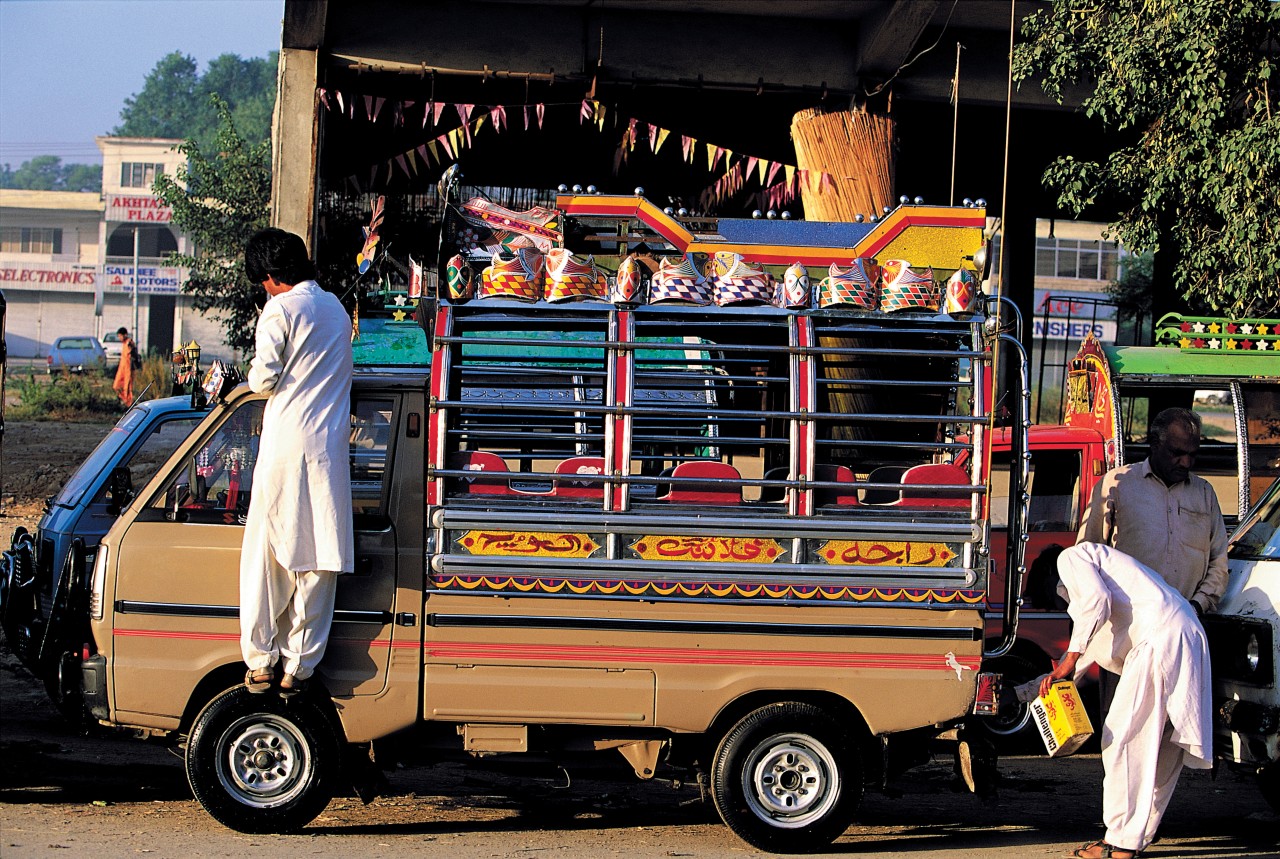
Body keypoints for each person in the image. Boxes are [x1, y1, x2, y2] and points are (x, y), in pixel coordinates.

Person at [1040, 542, 1211, 859]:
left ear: (1053, 575)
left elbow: (1095, 603)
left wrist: (1067, 661)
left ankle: (1118, 843)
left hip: (1159, 639)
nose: (1063, 603)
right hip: (1187, 634)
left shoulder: (1071, 557)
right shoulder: (1113, 574)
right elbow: (1079, 659)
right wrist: (1033, 689)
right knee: (1163, 746)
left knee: (1124, 740)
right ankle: (1136, 837)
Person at [239, 228, 354, 697]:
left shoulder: (280, 309)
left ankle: (261, 660)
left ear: (269, 277)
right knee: (317, 555)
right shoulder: (336, 310)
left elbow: (263, 379)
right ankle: (298, 668)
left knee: (268, 555)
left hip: (285, 445)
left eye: (261, 282)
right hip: (327, 449)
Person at [1077, 406, 1228, 616]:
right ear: (1156, 445)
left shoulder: (1204, 493)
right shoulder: (1118, 484)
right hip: (1127, 618)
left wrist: (1196, 606)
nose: (1186, 462)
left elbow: (1219, 560)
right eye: (1177, 453)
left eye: (1192, 455)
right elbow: (1087, 553)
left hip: (1185, 618)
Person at [112, 327, 138, 407]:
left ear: (125, 335)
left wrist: (131, 346)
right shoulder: (123, 344)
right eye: (118, 336)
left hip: (128, 368)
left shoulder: (129, 342)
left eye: (120, 336)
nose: (119, 338)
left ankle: (129, 404)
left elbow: (134, 351)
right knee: (116, 386)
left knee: (128, 387)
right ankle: (124, 400)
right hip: (121, 368)